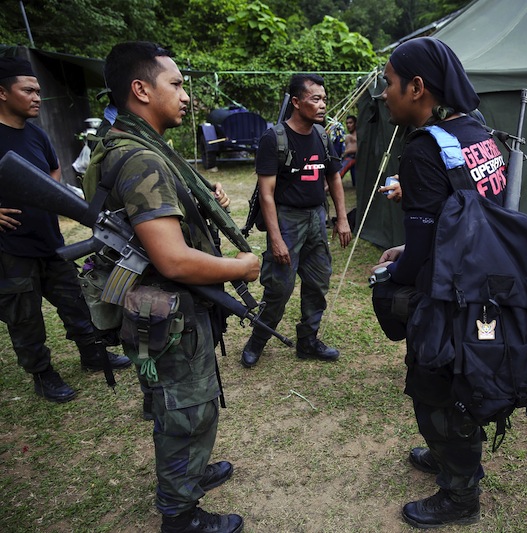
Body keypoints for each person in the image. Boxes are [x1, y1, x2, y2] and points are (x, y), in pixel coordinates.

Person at [91, 41, 260, 533]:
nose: (186, 96)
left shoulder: (120, 143)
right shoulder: (142, 158)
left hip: (145, 306)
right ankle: (180, 515)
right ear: (140, 90)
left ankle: (189, 471)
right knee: (186, 407)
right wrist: (239, 266)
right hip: (167, 308)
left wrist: (195, 197)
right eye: (177, 84)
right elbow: (171, 258)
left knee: (166, 397)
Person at [371, 37, 507, 529]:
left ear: (417, 87)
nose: (385, 94)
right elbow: (467, 216)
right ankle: (449, 457)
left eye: (388, 83)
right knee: (459, 380)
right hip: (483, 282)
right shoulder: (478, 134)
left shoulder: (424, 151)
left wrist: (388, 275)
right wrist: (414, 249)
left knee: (437, 389)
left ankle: (459, 493)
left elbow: (424, 252)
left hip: (448, 296)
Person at [0, 56, 131, 404]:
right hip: (11, 249)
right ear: (2, 92)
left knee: (75, 304)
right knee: (24, 318)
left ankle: (92, 355)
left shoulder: (36, 134)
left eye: (39, 90)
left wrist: (43, 196)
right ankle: (43, 375)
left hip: (50, 242)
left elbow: (54, 172)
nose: (37, 97)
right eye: (27, 90)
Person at [240, 73, 352, 368]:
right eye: (315, 99)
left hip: (317, 215)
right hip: (286, 218)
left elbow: (335, 178)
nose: (322, 105)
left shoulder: (323, 136)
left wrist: (341, 219)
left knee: (318, 282)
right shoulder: (273, 138)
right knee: (279, 287)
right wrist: (276, 239)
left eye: (324, 99)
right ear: (296, 102)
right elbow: (266, 194)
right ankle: (258, 340)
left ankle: (308, 341)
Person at [340, 114, 357, 186]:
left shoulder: (359, 136)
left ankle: (325, 188)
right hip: (347, 158)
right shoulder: (347, 136)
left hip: (354, 157)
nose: (348, 125)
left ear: (355, 123)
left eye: (350, 123)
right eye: (347, 123)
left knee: (338, 174)